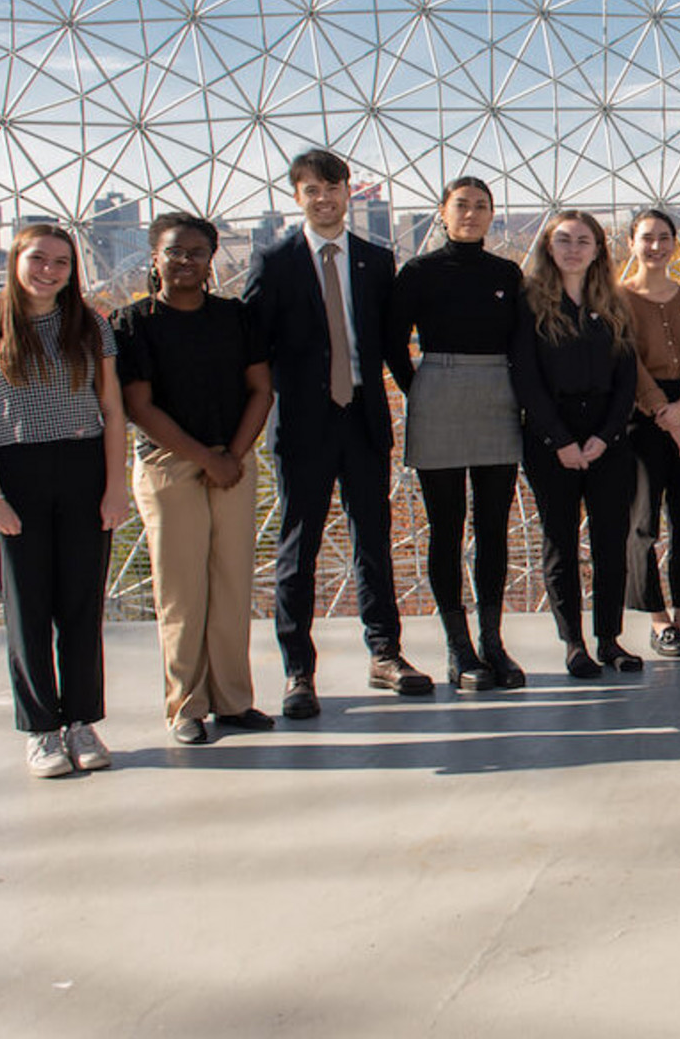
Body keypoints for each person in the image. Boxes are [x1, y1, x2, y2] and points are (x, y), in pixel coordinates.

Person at [243, 148, 430, 718]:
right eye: (311, 191)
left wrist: (423, 396)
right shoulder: (273, 262)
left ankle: (385, 654)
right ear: (296, 197)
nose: (324, 199)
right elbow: (253, 348)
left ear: (350, 191)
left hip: (364, 419)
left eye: (333, 188)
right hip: (302, 423)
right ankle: (298, 670)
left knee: (372, 540)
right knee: (298, 548)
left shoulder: (377, 260)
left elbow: (392, 340)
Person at [0, 225, 129, 777]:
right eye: (38, 259)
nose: (48, 271)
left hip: (83, 466)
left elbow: (113, 410)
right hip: (16, 472)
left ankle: (81, 721)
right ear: (14, 260)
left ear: (73, 271)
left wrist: (114, 485)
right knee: (27, 609)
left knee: (81, 605)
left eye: (61, 263)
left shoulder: (92, 324)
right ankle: (40, 731)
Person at [114, 214, 277, 745]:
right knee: (181, 591)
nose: (185, 261)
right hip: (169, 464)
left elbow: (262, 390)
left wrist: (231, 455)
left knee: (232, 583)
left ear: (212, 260)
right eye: (174, 251)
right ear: (154, 257)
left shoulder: (236, 317)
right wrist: (210, 461)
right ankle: (185, 705)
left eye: (196, 253)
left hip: (233, 460)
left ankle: (233, 701)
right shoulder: (133, 322)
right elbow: (139, 407)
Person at [386, 178, 526, 690]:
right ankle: (458, 647)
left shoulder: (507, 274)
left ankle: (493, 642)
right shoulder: (418, 272)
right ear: (442, 213)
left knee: (493, 525)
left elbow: (522, 339)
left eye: (481, 206)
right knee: (446, 528)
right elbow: (392, 341)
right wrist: (420, 388)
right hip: (439, 390)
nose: (471, 213)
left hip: (497, 392)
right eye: (461, 205)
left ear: (492, 215)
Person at [510, 210, 644, 676]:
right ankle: (573, 642)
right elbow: (525, 377)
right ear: (548, 247)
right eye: (563, 240)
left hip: (608, 438)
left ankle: (610, 639)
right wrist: (560, 440)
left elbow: (627, 379)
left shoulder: (614, 303)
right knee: (559, 542)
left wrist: (605, 438)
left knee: (611, 541)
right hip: (552, 437)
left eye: (583, 240)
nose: (573, 249)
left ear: (598, 249)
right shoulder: (529, 304)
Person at [619, 209, 680, 658]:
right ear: (631, 243)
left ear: (675, 242)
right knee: (643, 522)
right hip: (644, 414)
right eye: (646, 238)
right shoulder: (618, 299)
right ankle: (657, 620)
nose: (655, 246)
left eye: (664, 237)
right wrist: (665, 412)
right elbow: (628, 362)